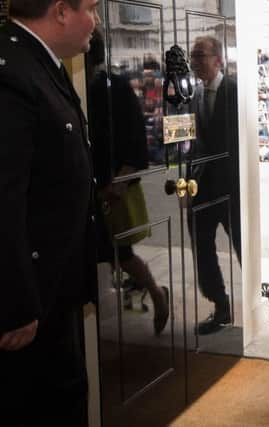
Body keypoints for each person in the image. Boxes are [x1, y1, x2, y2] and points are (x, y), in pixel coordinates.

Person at [0, 0, 101, 425]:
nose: (96, 20)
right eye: (90, 8)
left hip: (53, 291)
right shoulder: (1, 74)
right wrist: (13, 304)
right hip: (26, 304)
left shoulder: (38, 63)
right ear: (60, 11)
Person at [87, 29, 169, 335]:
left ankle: (157, 295)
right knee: (110, 253)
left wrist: (118, 184)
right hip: (95, 186)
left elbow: (135, 141)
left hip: (114, 187)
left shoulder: (113, 86)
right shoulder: (80, 84)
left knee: (118, 252)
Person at [189, 35, 241, 335]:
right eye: (194, 56)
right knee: (202, 248)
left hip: (232, 189)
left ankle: (255, 301)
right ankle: (220, 306)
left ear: (218, 60)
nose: (195, 61)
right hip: (202, 187)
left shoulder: (234, 91)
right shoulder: (195, 94)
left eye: (201, 55)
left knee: (241, 247)